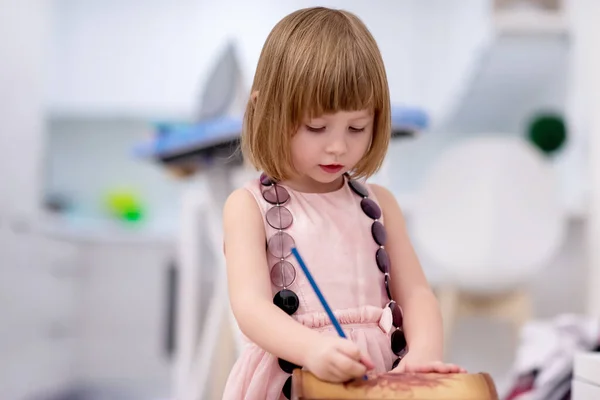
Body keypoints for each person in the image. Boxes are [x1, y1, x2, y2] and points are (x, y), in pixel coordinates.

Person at [221, 6, 465, 400]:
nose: (338, 145)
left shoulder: (380, 205)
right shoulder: (248, 206)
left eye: (357, 127)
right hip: (294, 375)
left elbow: (417, 294)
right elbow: (250, 307)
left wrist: (422, 354)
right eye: (316, 127)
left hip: (376, 375)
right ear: (265, 109)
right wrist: (312, 349)